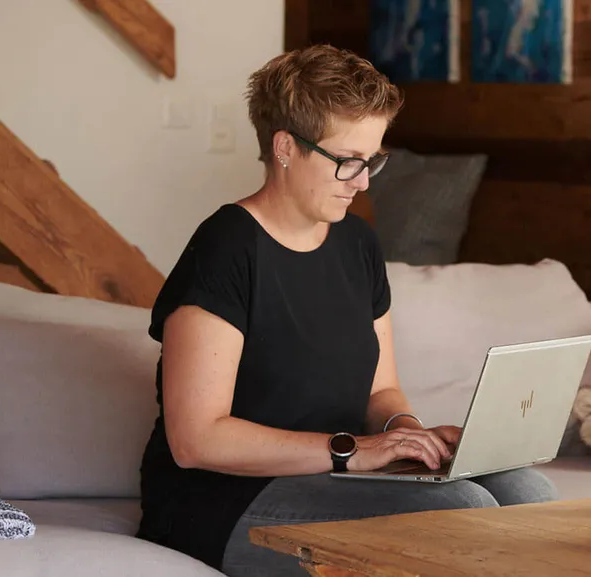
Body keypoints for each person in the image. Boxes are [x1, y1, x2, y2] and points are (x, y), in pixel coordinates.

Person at [135, 44, 559, 577]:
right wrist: (352, 451)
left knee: (528, 491)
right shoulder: (225, 249)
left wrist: (410, 436)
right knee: (459, 513)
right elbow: (197, 439)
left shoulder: (357, 244)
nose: (362, 181)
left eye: (373, 160)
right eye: (347, 162)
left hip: (338, 476)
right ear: (286, 147)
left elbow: (381, 391)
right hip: (223, 500)